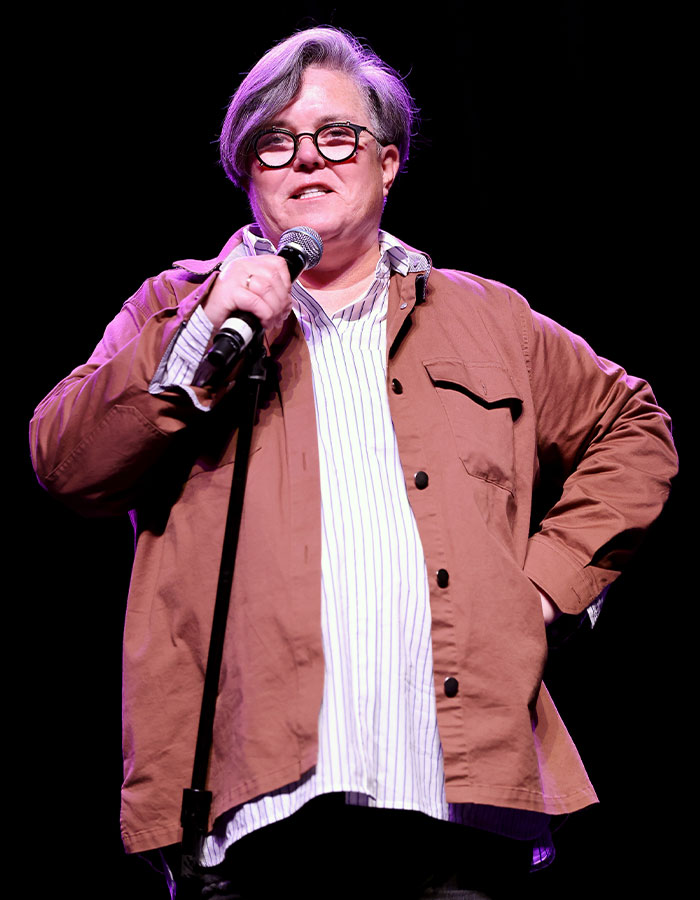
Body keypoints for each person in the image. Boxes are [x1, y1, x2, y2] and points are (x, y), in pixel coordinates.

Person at [30, 26, 677, 900]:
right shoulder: (175, 305)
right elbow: (67, 461)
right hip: (252, 807)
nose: (308, 159)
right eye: (275, 141)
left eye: (337, 136)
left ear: (388, 162)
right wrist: (202, 329)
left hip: (459, 798)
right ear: (248, 172)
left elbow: (634, 426)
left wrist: (544, 588)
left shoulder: (489, 319)